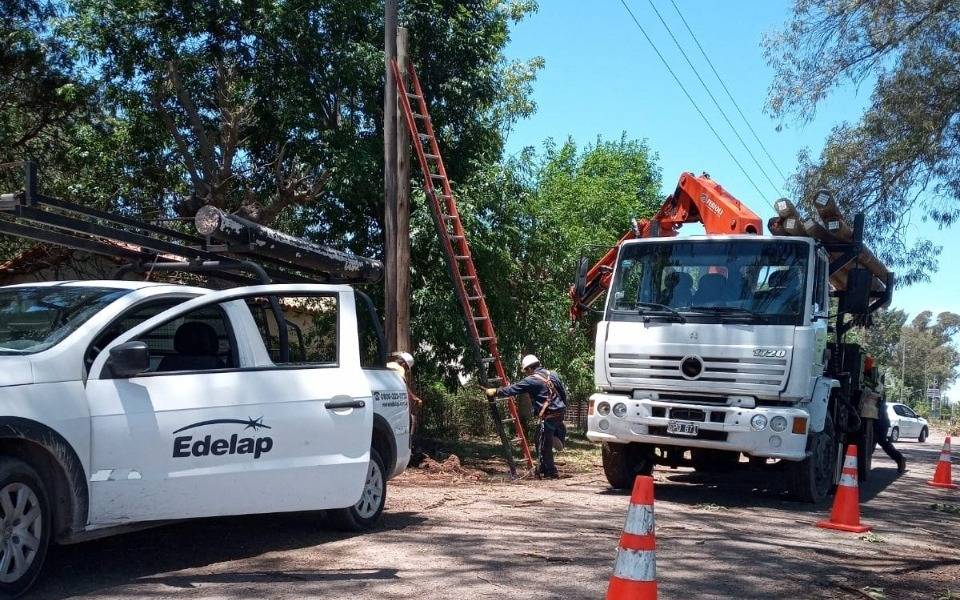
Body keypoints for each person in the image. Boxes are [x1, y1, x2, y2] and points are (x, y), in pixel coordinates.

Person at [485, 354, 567, 479]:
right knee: (541, 436)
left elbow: (513, 389)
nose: (526, 374)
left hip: (549, 415)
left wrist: (496, 391)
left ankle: (551, 471)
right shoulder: (553, 374)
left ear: (529, 369)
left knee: (544, 443)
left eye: (526, 372)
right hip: (559, 412)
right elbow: (562, 393)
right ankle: (558, 438)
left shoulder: (531, 380)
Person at [865, 355, 906, 474]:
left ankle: (900, 459)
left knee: (881, 442)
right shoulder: (874, 382)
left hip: (880, 420)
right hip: (879, 419)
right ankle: (899, 459)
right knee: (876, 444)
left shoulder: (874, 383)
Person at [387, 351, 423, 440]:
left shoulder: (388, 364)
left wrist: (414, 397)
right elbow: (403, 387)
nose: (406, 371)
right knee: (412, 420)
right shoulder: (399, 369)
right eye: (407, 368)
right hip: (394, 404)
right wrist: (414, 400)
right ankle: (409, 443)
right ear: (403, 364)